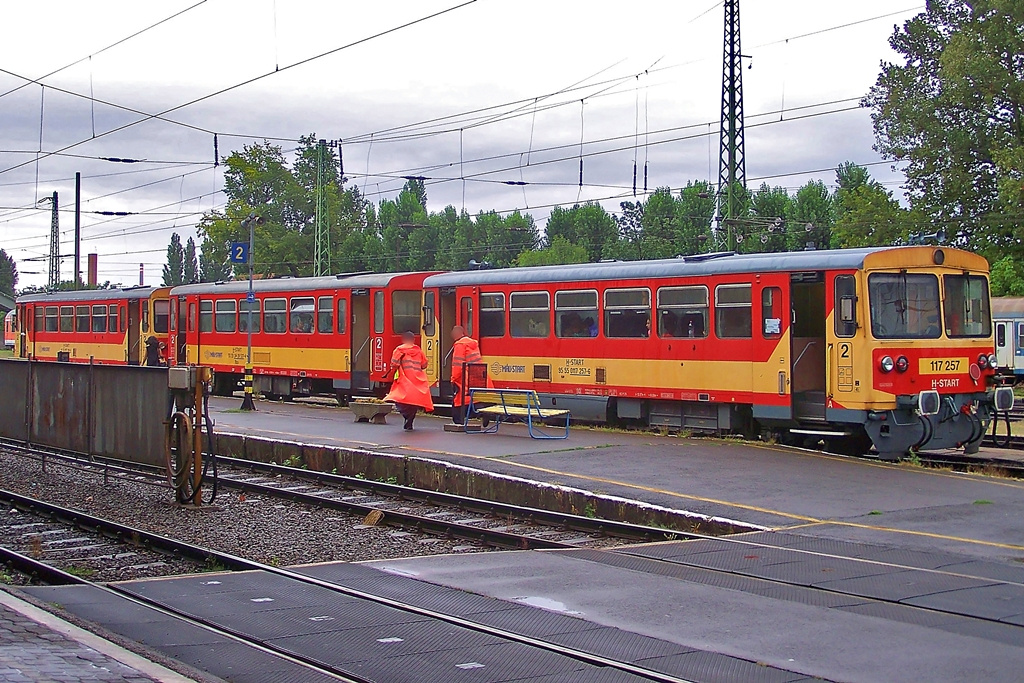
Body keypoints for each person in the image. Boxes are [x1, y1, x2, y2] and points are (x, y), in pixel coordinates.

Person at [383, 331, 433, 430]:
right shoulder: (418, 350)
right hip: (417, 379)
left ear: (403, 339)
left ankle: (406, 416)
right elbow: (424, 365)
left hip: (404, 378)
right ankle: (410, 418)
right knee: (413, 401)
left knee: (398, 399)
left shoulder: (399, 350)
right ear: (413, 339)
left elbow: (394, 364)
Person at [450, 325, 491, 425]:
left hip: (464, 379)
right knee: (475, 399)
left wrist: (453, 379)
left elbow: (457, 365)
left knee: (458, 404)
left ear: (457, 334)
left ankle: (459, 423)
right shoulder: (473, 344)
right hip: (477, 377)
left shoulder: (459, 345)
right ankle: (483, 413)